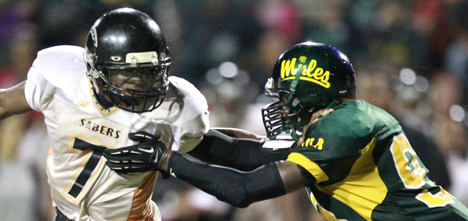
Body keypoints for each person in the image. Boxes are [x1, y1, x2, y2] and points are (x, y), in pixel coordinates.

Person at [0, 8, 211, 221]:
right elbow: (0, 102)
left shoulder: (175, 106)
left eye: (149, 72)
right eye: (127, 73)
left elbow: (213, 151)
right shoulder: (63, 81)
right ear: (96, 68)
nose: (140, 85)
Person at [102, 42, 468, 220]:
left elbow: (243, 190)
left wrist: (164, 160)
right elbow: (241, 154)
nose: (279, 106)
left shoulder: (344, 129)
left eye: (284, 96)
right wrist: (175, 136)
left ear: (310, 91)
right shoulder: (334, 122)